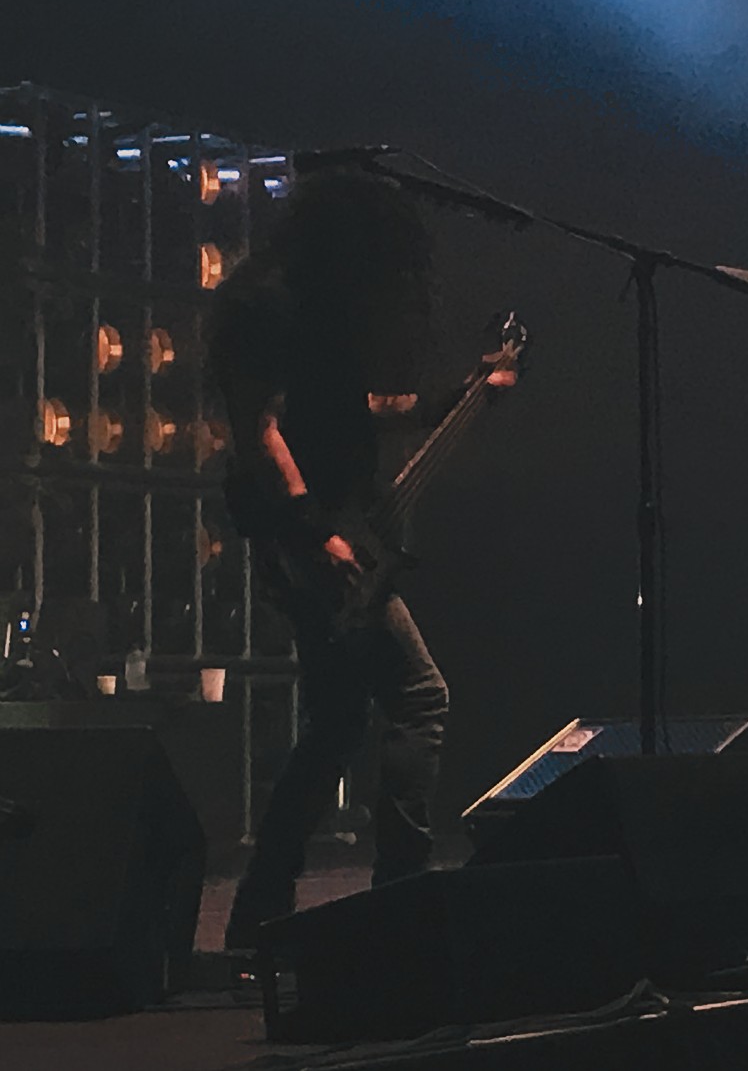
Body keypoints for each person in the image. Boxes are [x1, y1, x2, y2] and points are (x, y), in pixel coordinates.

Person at [209, 171, 517, 948]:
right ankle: (401, 896)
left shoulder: (315, 308)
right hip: (307, 537)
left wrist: (455, 399)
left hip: (330, 530)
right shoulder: (265, 304)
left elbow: (359, 409)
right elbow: (261, 430)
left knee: (338, 723)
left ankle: (259, 912)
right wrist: (317, 531)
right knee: (420, 697)